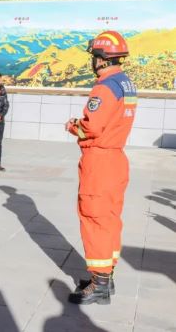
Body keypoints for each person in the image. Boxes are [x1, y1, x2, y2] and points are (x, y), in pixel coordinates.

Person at [65, 31, 137, 305]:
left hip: (100, 160)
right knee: (109, 218)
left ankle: (99, 284)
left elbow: (92, 127)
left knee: (94, 218)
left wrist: (73, 126)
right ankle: (106, 277)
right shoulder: (126, 83)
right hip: (116, 158)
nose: (92, 62)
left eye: (94, 56)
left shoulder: (104, 87)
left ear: (102, 58)